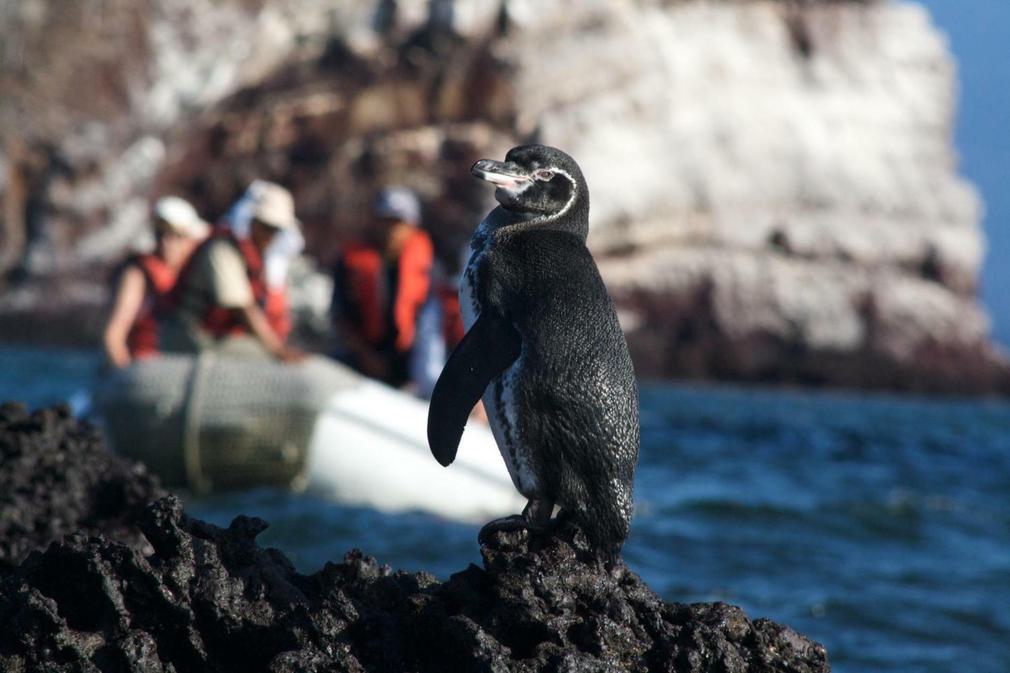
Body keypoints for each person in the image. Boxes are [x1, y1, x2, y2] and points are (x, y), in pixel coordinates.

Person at [162, 180, 304, 362]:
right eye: (266, 227)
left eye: (276, 230)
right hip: (191, 337)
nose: (270, 235)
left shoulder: (261, 262)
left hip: (220, 337)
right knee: (261, 359)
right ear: (250, 220)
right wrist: (277, 350)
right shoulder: (221, 249)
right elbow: (241, 306)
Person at [331, 187, 434, 386]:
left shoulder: (428, 267)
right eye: (384, 221)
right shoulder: (349, 261)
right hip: (361, 356)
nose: (390, 230)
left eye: (397, 223)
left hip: (409, 362)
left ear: (412, 226)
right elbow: (339, 316)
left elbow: (430, 324)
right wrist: (367, 357)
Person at [103, 196, 208, 368]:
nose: (167, 242)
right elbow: (113, 337)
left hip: (177, 369)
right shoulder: (137, 275)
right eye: (161, 234)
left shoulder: (193, 274)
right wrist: (127, 376)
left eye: (177, 236)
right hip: (143, 368)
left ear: (191, 240)